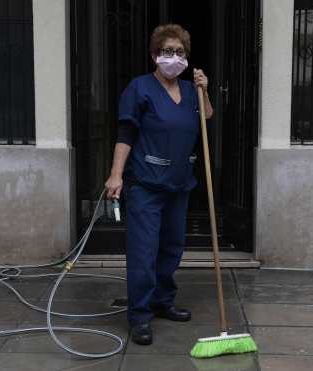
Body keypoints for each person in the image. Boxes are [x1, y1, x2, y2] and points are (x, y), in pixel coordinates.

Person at [105, 24, 213, 346]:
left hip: (179, 183)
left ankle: (163, 302)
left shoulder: (191, 89)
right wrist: (116, 175)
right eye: (167, 51)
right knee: (144, 251)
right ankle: (139, 315)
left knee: (172, 247)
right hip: (146, 185)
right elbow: (126, 133)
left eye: (180, 52)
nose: (174, 57)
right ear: (155, 55)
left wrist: (204, 89)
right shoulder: (140, 88)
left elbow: (206, 118)